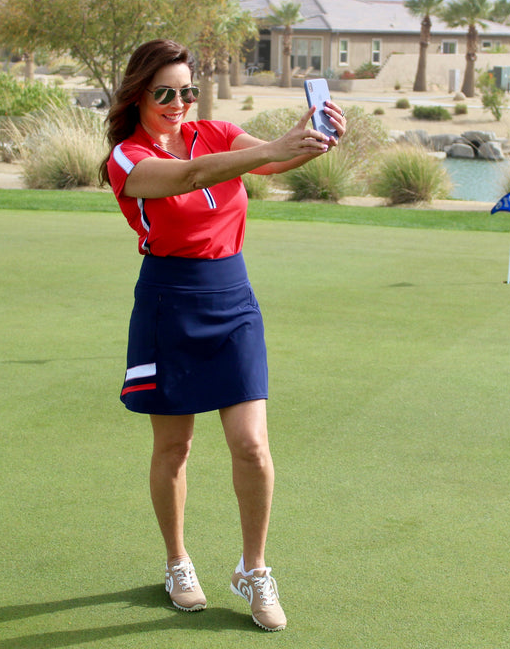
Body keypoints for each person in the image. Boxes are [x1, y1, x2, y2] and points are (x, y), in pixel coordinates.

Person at [99, 39, 346, 632]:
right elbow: (189, 175)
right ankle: (177, 561)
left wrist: (308, 136)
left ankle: (253, 569)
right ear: (137, 95)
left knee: (252, 446)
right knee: (174, 447)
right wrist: (274, 146)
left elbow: (271, 162)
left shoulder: (216, 130)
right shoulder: (128, 160)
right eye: (165, 92)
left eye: (187, 91)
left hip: (233, 301)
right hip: (169, 303)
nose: (179, 102)